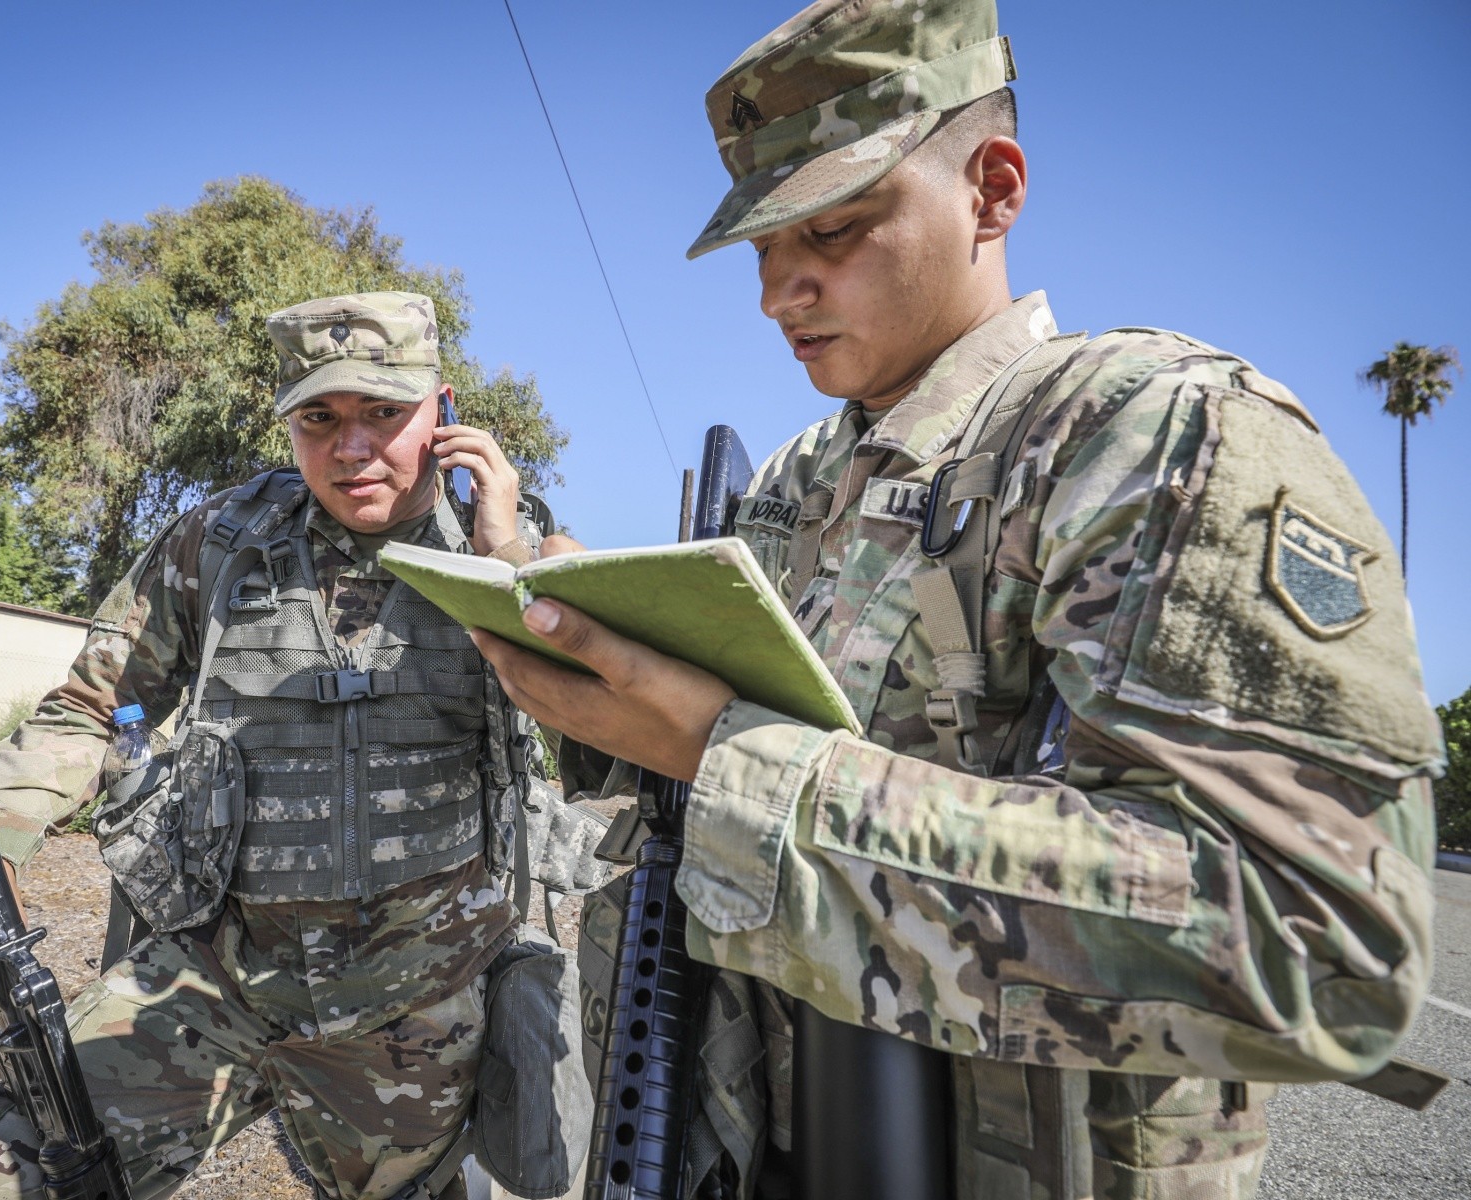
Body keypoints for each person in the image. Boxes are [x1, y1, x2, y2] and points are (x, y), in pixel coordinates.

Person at [472, 3, 1442, 1196]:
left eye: (830, 226)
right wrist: (587, 666)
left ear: (991, 190)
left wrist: (724, 756)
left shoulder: (1153, 433)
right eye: (764, 247)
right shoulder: (793, 483)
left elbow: (1317, 942)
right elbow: (691, 790)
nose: (780, 291)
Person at [0, 291, 570, 1200]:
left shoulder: (523, 556)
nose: (352, 447)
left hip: (418, 996)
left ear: (442, 411)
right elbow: (88, 707)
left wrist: (508, 574)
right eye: (319, 418)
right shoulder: (219, 542)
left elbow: (599, 737)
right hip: (218, 973)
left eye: (384, 412)